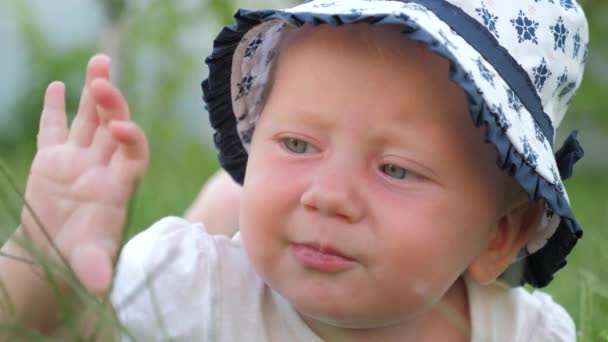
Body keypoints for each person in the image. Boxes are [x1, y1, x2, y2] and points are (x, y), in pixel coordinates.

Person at [0, 0, 589, 340]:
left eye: (396, 169)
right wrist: (44, 251)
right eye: (297, 144)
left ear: (499, 235)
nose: (328, 196)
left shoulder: (526, 335)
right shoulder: (198, 292)